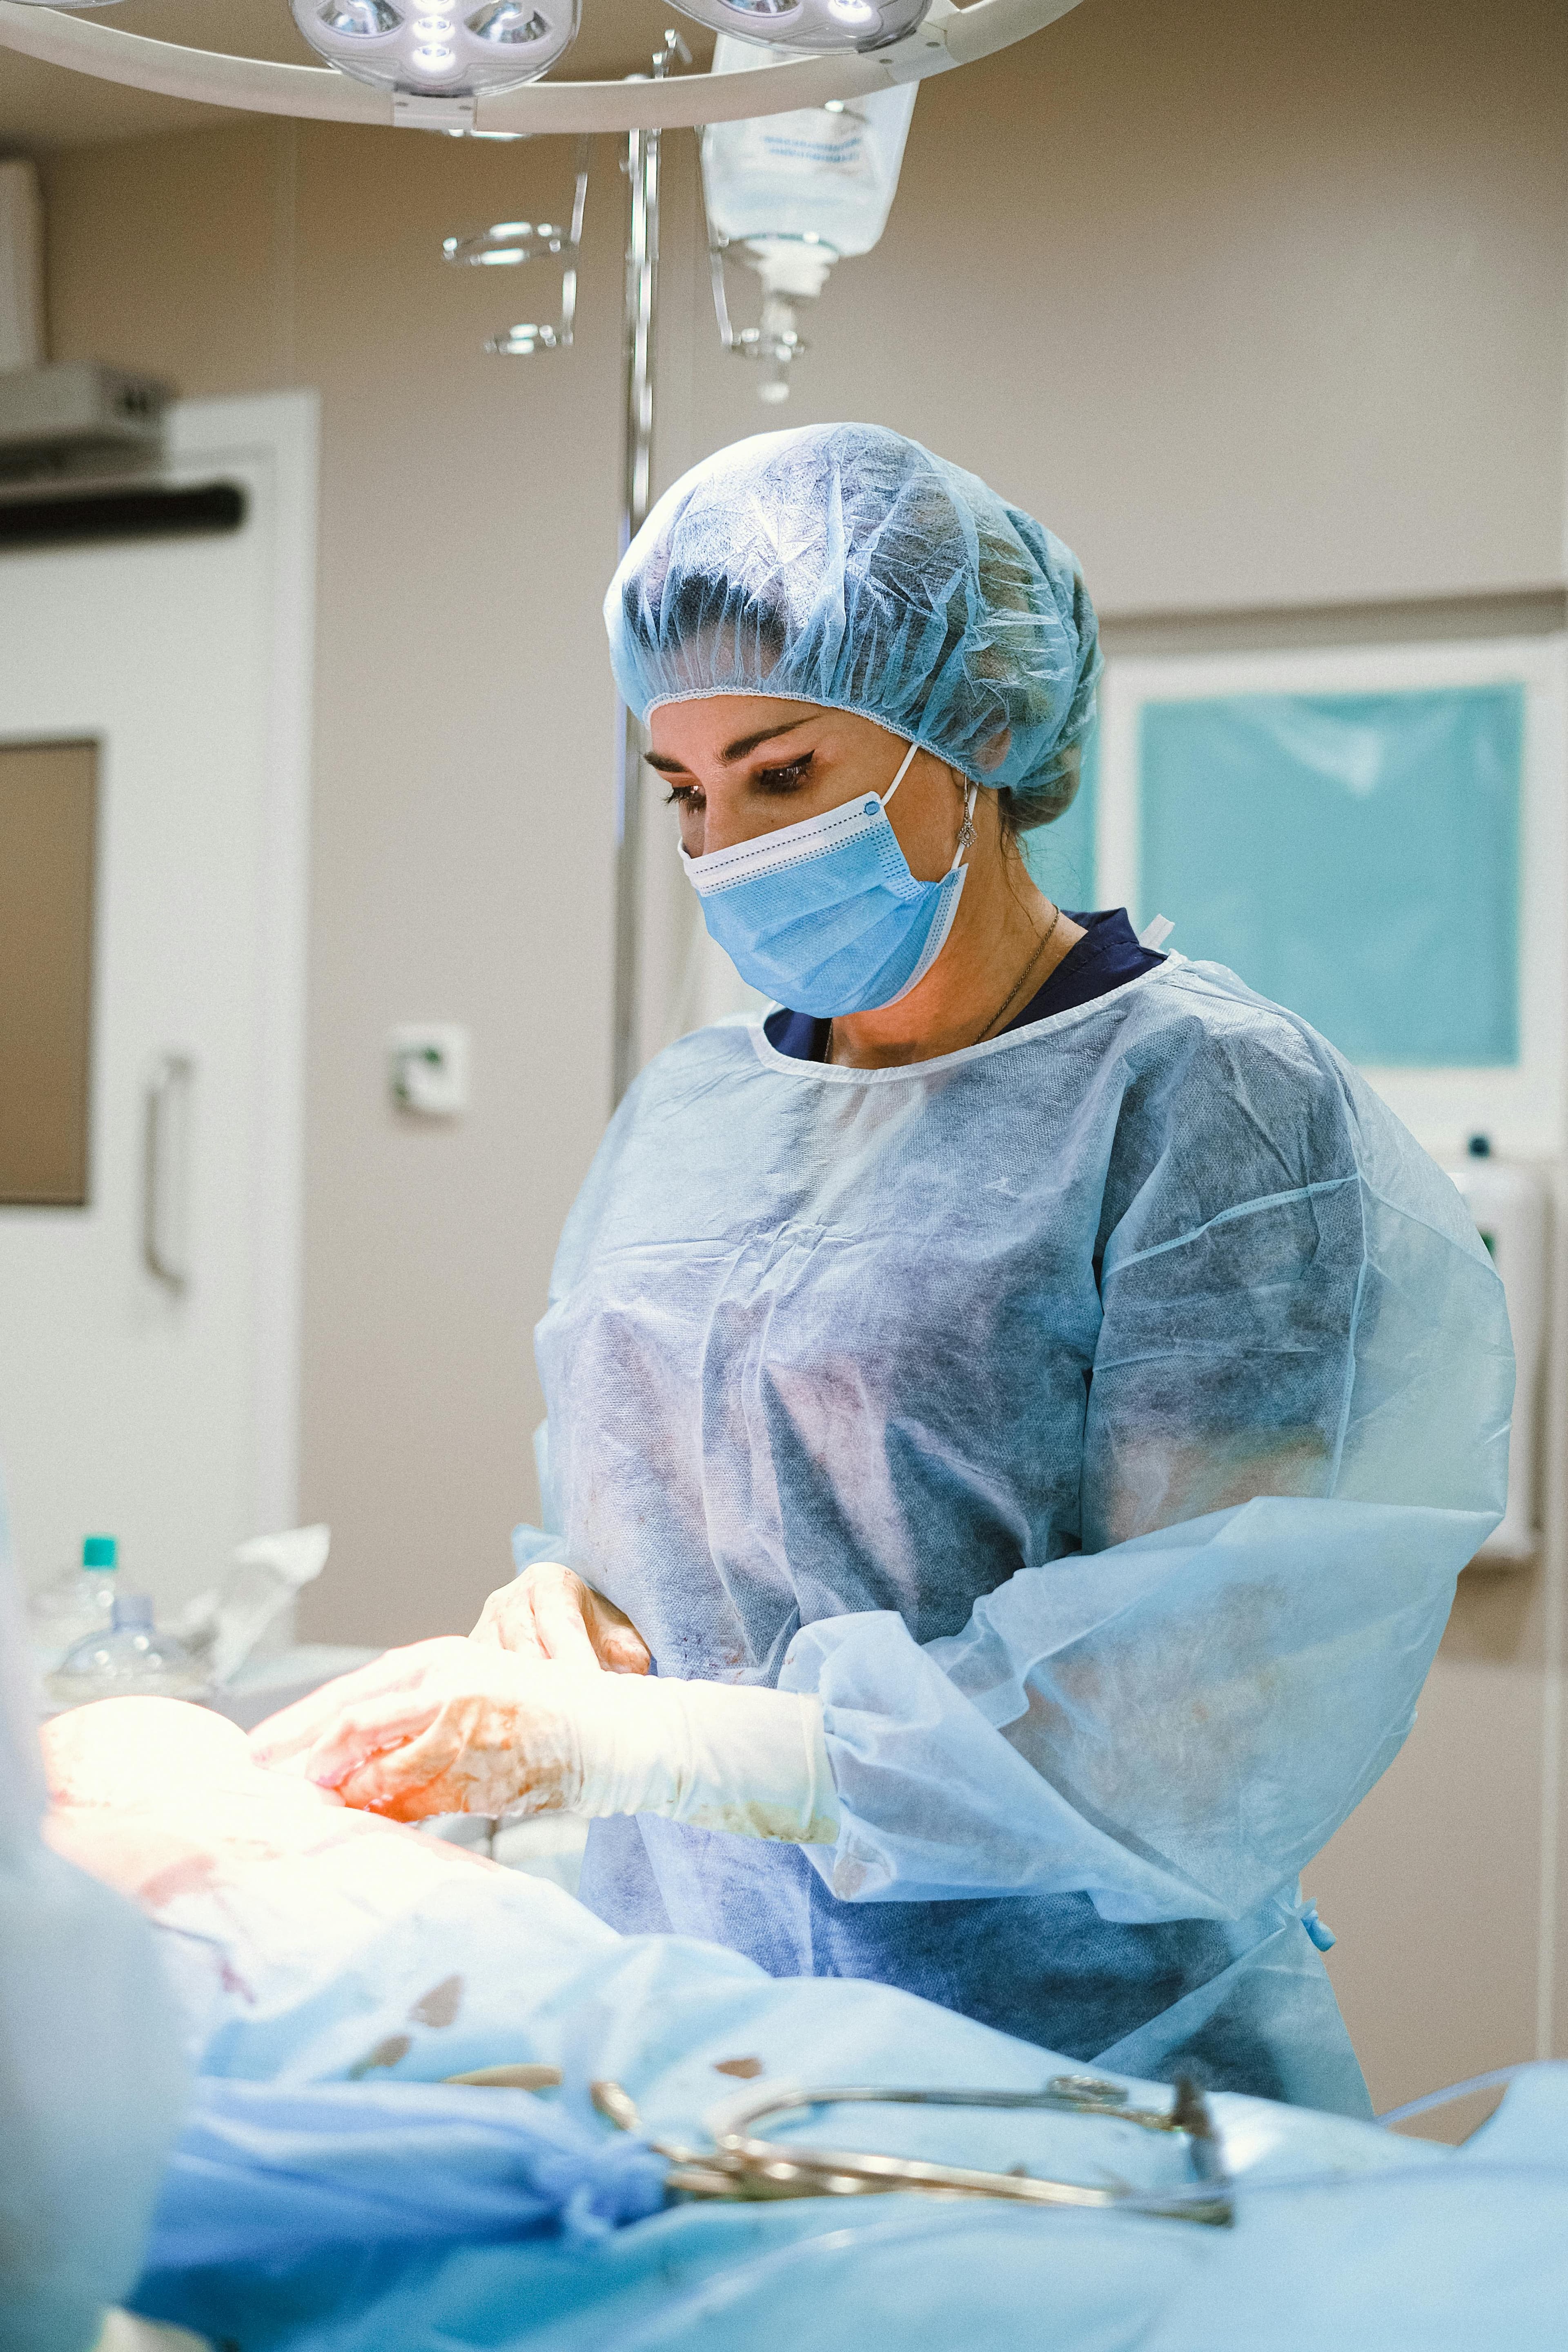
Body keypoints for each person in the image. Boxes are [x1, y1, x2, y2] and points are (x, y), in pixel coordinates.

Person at [257, 424, 1513, 2115]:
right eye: (687, 791)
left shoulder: (1205, 1105)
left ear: (977, 733)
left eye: (782, 774)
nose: (727, 845)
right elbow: (705, 1531)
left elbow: (1190, 1726)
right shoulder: (706, 1111)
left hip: (1078, 2077)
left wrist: (657, 1744)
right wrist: (570, 1612)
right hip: (716, 2054)